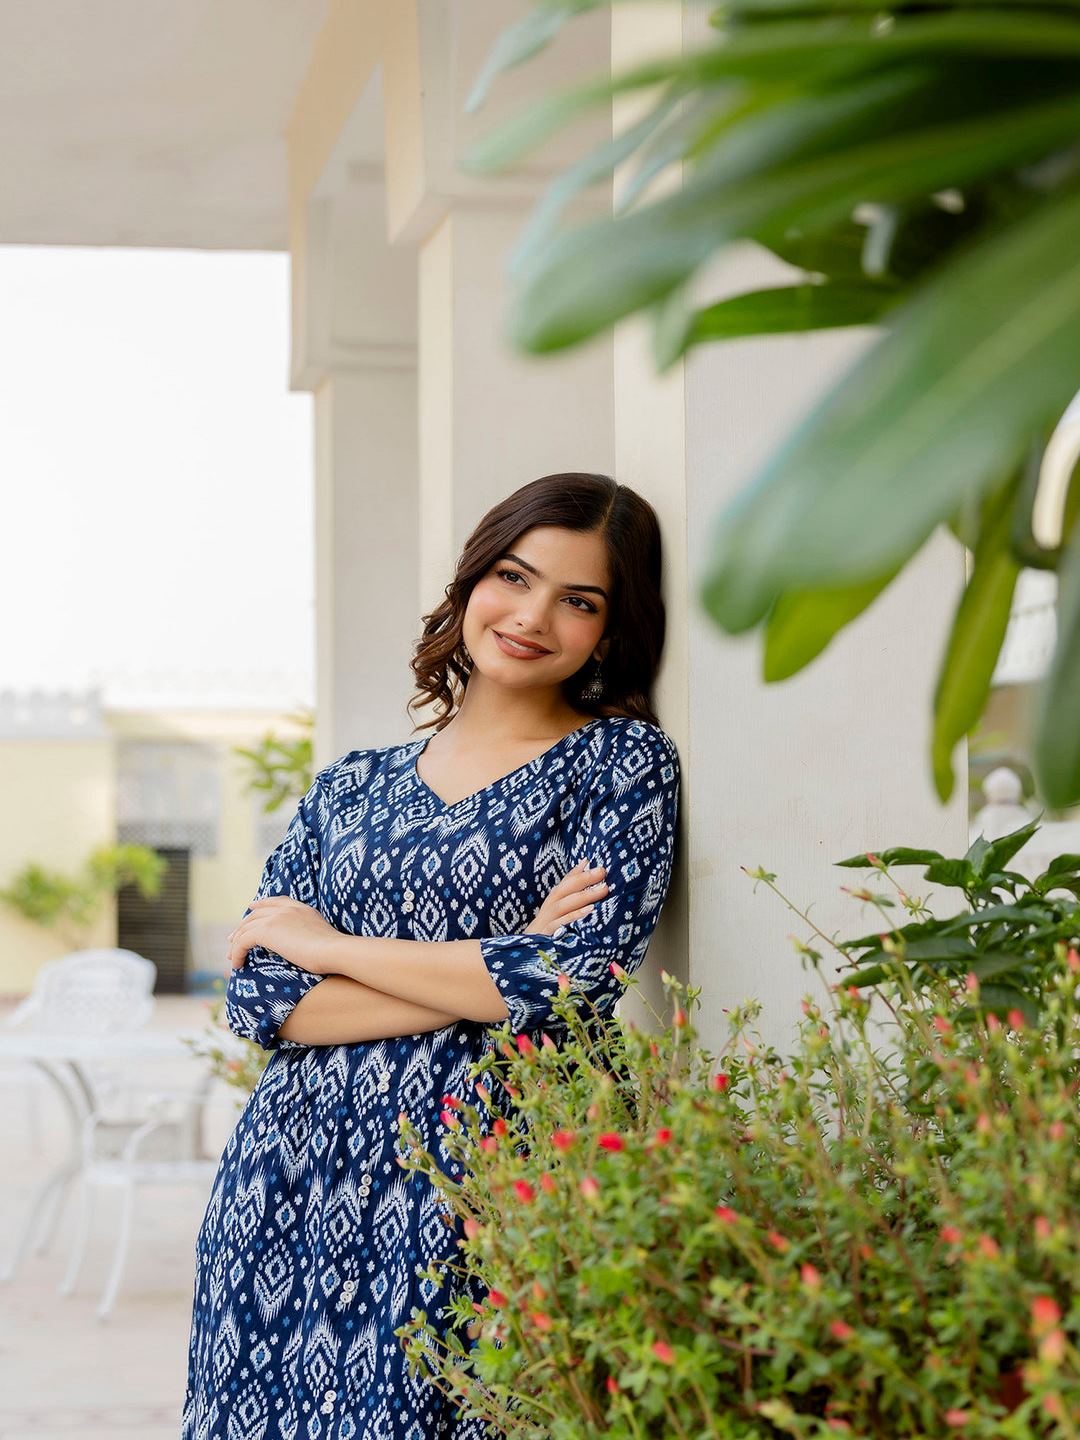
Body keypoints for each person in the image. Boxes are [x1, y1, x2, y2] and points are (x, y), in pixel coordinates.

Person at [181, 471, 681, 1439]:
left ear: (612, 631)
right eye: (513, 576)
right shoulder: (350, 789)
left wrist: (334, 948)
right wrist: (497, 970)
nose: (533, 615)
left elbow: (574, 978)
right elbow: (264, 1001)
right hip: (294, 1178)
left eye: (579, 600)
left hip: (490, 1176)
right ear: (470, 582)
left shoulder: (620, 765)